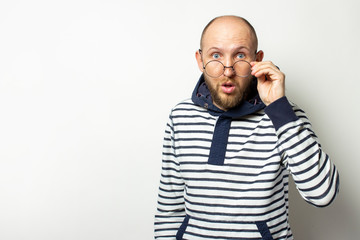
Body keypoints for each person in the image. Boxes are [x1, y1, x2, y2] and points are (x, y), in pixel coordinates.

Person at [154, 15, 339, 240]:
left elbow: (323, 194)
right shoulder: (180, 116)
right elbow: (169, 209)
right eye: (215, 55)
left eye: (240, 55)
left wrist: (279, 108)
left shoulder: (284, 116)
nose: (228, 70)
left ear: (257, 60)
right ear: (200, 60)